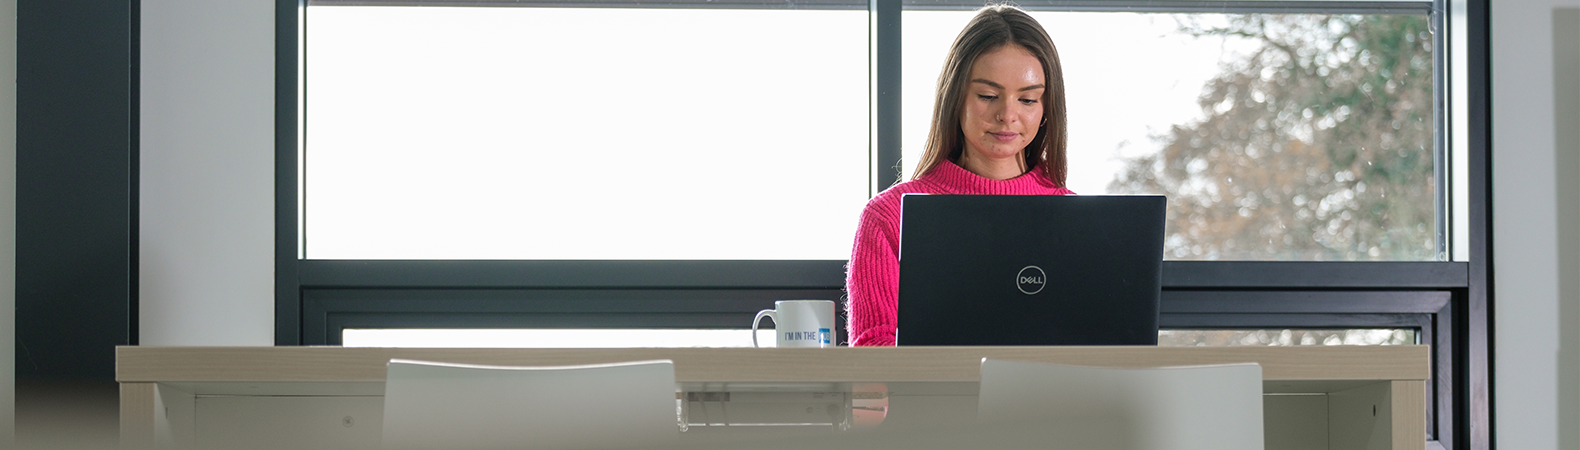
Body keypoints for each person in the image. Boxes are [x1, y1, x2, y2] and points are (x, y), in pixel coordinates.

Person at [846, 5, 1074, 346]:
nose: (1007, 115)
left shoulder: (1078, 220)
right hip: (932, 399)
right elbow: (872, 352)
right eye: (988, 96)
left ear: (1045, 109)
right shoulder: (890, 216)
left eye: (1028, 99)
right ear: (955, 98)